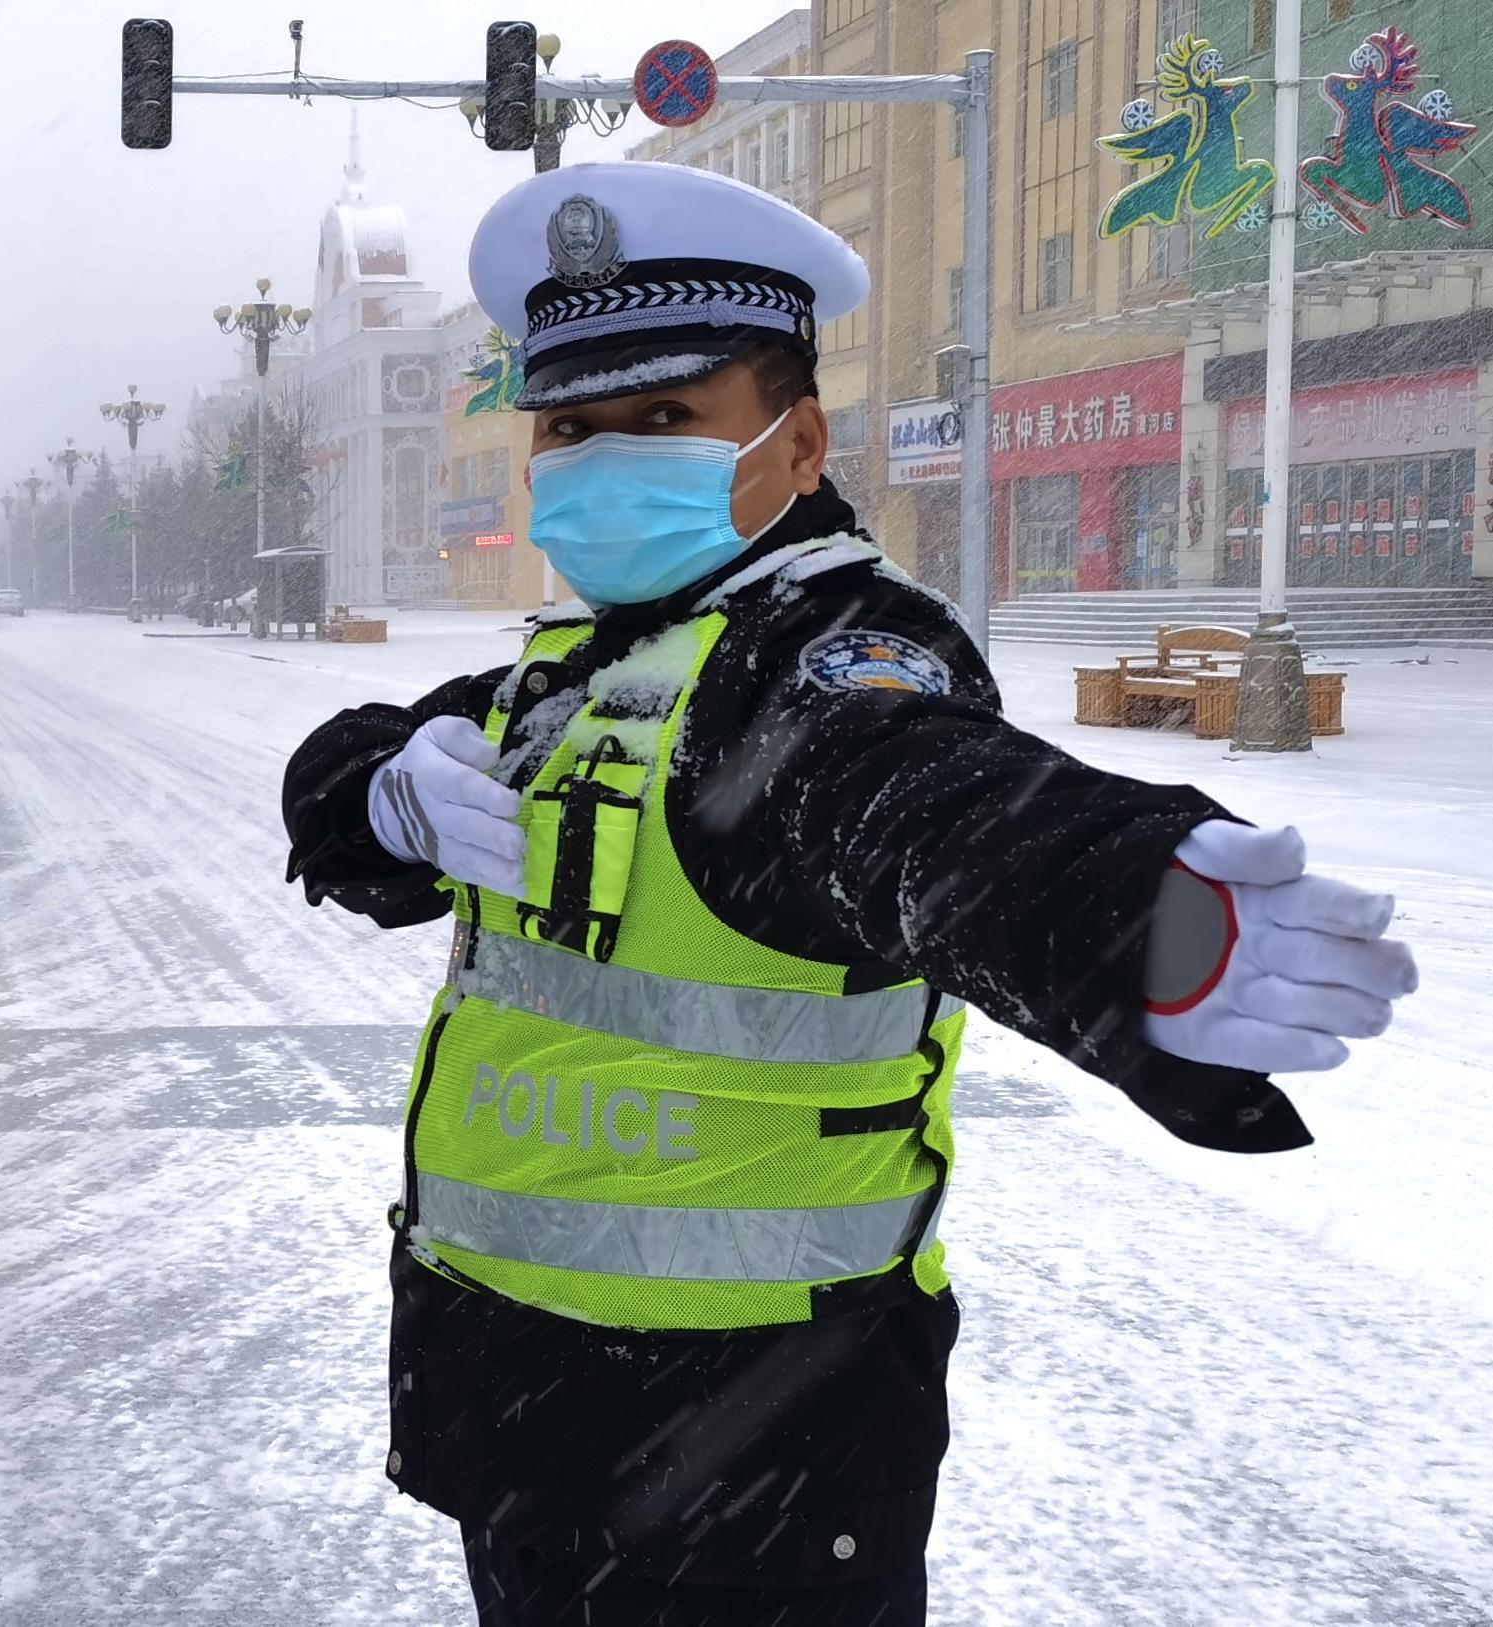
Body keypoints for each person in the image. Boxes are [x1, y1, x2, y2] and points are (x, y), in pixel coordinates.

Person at [280, 162, 1419, 1627]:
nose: (599, 457)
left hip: (750, 1462)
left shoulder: (826, 663)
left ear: (796, 439)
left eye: (665, 420)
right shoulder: (574, 670)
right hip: (514, 1423)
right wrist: (380, 785)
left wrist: (1131, 917)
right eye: (569, 426)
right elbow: (340, 782)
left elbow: (920, 807)